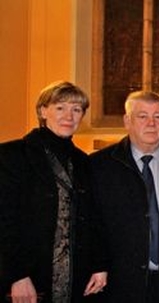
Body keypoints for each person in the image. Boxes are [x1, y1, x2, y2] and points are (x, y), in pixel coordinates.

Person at [0, 81, 107, 302]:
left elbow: (95, 219)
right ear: (43, 111)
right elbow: (4, 221)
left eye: (76, 109)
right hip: (28, 279)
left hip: (76, 279)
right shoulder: (11, 156)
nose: (69, 115)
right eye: (60, 107)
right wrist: (17, 275)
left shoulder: (84, 162)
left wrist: (99, 265)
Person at [90, 91, 159, 302]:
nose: (151, 123)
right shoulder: (99, 166)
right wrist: (97, 265)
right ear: (127, 121)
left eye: (158, 116)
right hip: (119, 283)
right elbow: (92, 224)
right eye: (142, 116)